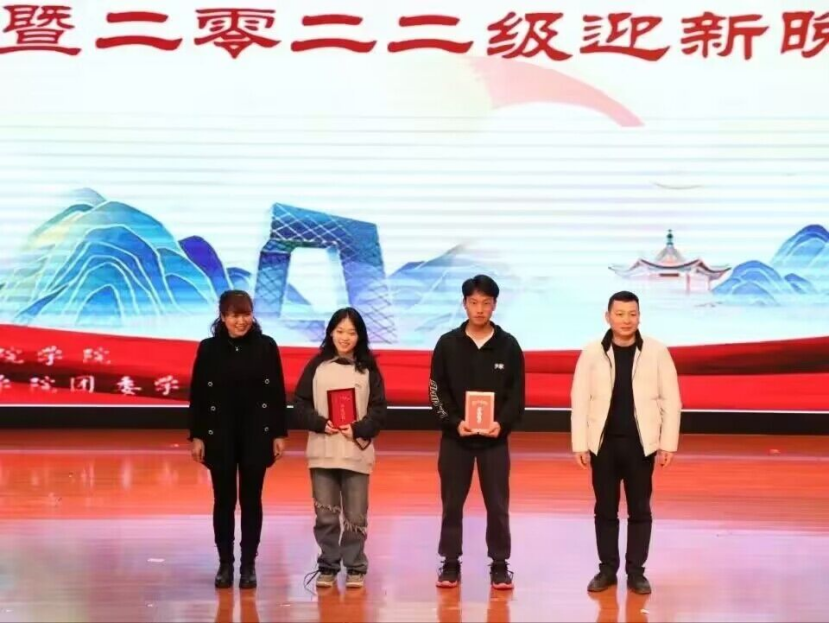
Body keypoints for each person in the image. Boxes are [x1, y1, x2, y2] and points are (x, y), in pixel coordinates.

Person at [570, 290, 682, 595]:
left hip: (640, 445)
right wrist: (580, 443)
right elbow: (580, 400)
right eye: (619, 314)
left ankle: (636, 572)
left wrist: (667, 443)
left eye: (632, 314)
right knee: (605, 509)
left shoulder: (657, 352)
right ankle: (607, 570)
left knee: (639, 509)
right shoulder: (592, 352)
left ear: (639, 317)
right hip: (603, 445)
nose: (626, 320)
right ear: (607, 317)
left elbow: (671, 400)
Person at [429, 275, 525, 590]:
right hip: (455, 438)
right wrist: (454, 422)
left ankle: (499, 564)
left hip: (494, 440)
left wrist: (502, 424)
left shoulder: (508, 345)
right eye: (474, 302)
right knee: (451, 504)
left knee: (497, 505)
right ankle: (450, 562)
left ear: (495, 305)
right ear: (464, 304)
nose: (480, 309)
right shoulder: (447, 344)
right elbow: (436, 392)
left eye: (486, 303)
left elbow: (517, 395)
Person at [188, 290, 288, 589]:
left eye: (245, 314)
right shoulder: (208, 348)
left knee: (251, 499)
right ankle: (225, 563)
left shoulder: (266, 346)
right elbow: (198, 395)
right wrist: (197, 435)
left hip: (256, 432)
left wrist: (279, 433)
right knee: (223, 500)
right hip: (219, 433)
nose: (240, 321)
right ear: (222, 317)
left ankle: (248, 565)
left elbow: (277, 392)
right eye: (234, 315)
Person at [293, 307, 387, 590]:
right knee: (326, 514)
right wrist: (320, 423)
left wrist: (358, 428)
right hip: (322, 451)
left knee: (356, 516)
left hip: (356, 452)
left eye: (351, 332)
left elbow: (379, 410)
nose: (345, 338)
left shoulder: (368, 369)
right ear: (330, 333)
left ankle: (355, 566)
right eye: (340, 331)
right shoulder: (317, 366)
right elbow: (300, 403)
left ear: (360, 336)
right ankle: (328, 564)